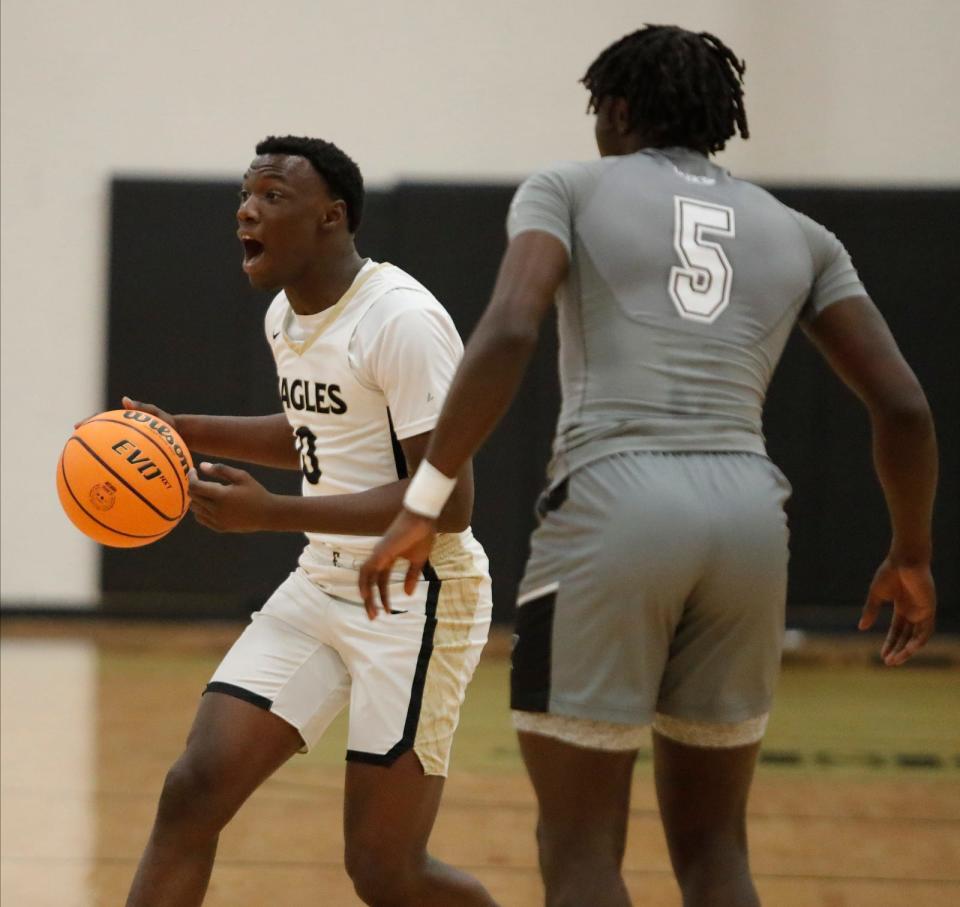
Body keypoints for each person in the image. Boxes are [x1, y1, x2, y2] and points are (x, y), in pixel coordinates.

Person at [359, 25, 938, 907]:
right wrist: (911, 553)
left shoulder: (568, 189)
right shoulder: (803, 234)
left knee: (581, 846)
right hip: (749, 519)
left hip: (613, 506)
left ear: (618, 110)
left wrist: (424, 498)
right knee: (716, 851)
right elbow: (903, 406)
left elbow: (511, 327)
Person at [123, 135, 498, 907]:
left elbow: (448, 499)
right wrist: (178, 427)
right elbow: (312, 433)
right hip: (321, 582)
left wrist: (270, 515)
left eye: (271, 196)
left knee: (385, 872)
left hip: (417, 594)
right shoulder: (284, 319)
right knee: (192, 790)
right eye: (245, 195)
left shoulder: (401, 320)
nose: (246, 211)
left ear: (331, 219)